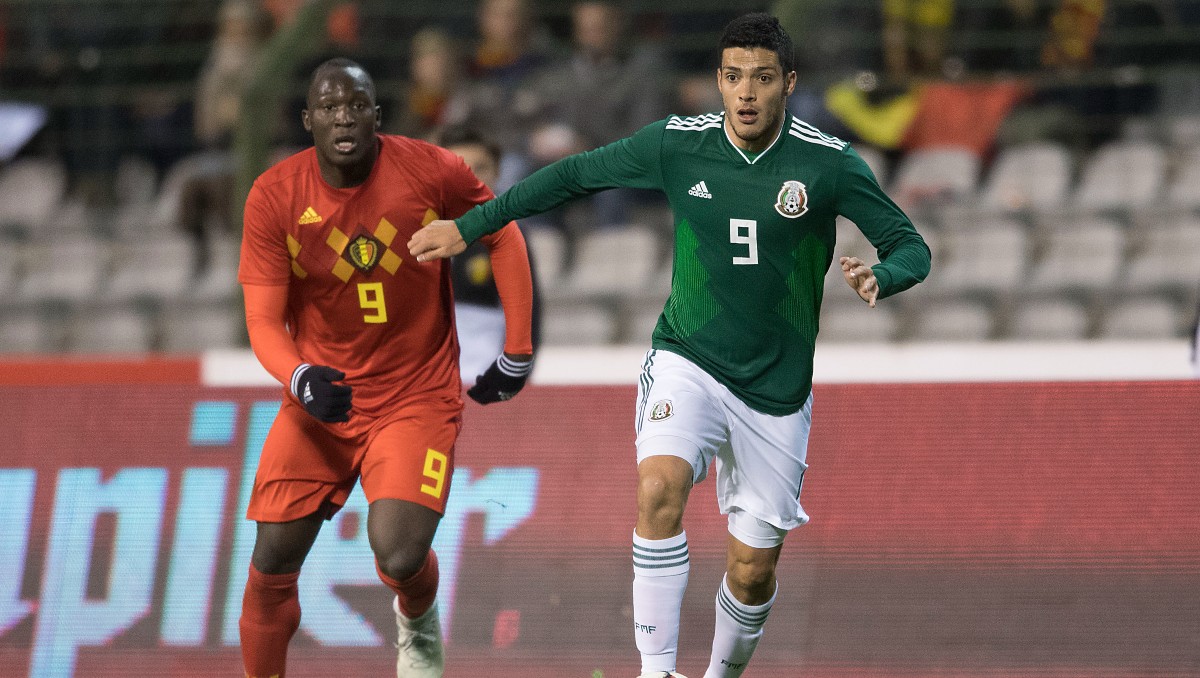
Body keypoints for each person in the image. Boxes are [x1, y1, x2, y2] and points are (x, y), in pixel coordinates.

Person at [408, 13, 930, 678]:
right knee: (658, 489)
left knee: (751, 571)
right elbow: (573, 174)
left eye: (763, 79)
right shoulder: (679, 144)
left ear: (789, 84)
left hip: (775, 390)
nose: (746, 93)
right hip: (688, 357)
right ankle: (655, 671)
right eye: (734, 77)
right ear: (718, 80)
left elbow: (911, 246)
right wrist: (472, 225)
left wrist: (884, 275)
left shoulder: (827, 163)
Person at [236, 58, 535, 678]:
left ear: (376, 115)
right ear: (308, 120)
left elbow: (502, 233)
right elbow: (262, 321)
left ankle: (417, 621)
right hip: (324, 397)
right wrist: (299, 378)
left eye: (356, 106)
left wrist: (519, 347)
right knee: (270, 564)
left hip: (414, 395)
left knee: (399, 555)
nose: (343, 118)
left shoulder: (432, 170)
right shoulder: (274, 195)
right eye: (329, 107)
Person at [436, 124, 542, 383]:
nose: (470, 178)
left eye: (480, 168)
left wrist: (517, 374)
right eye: (458, 168)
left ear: (497, 171)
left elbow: (529, 312)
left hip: (482, 366)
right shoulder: (412, 226)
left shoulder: (509, 234)